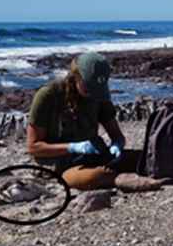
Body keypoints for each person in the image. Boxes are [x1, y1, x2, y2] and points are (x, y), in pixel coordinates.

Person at [26, 52, 165, 191]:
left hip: (95, 156)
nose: (92, 92)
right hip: (61, 163)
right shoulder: (49, 95)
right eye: (88, 87)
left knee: (149, 158)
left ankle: (145, 174)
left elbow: (116, 134)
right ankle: (129, 179)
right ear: (76, 77)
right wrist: (72, 147)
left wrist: (117, 144)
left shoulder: (99, 95)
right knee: (97, 176)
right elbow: (33, 147)